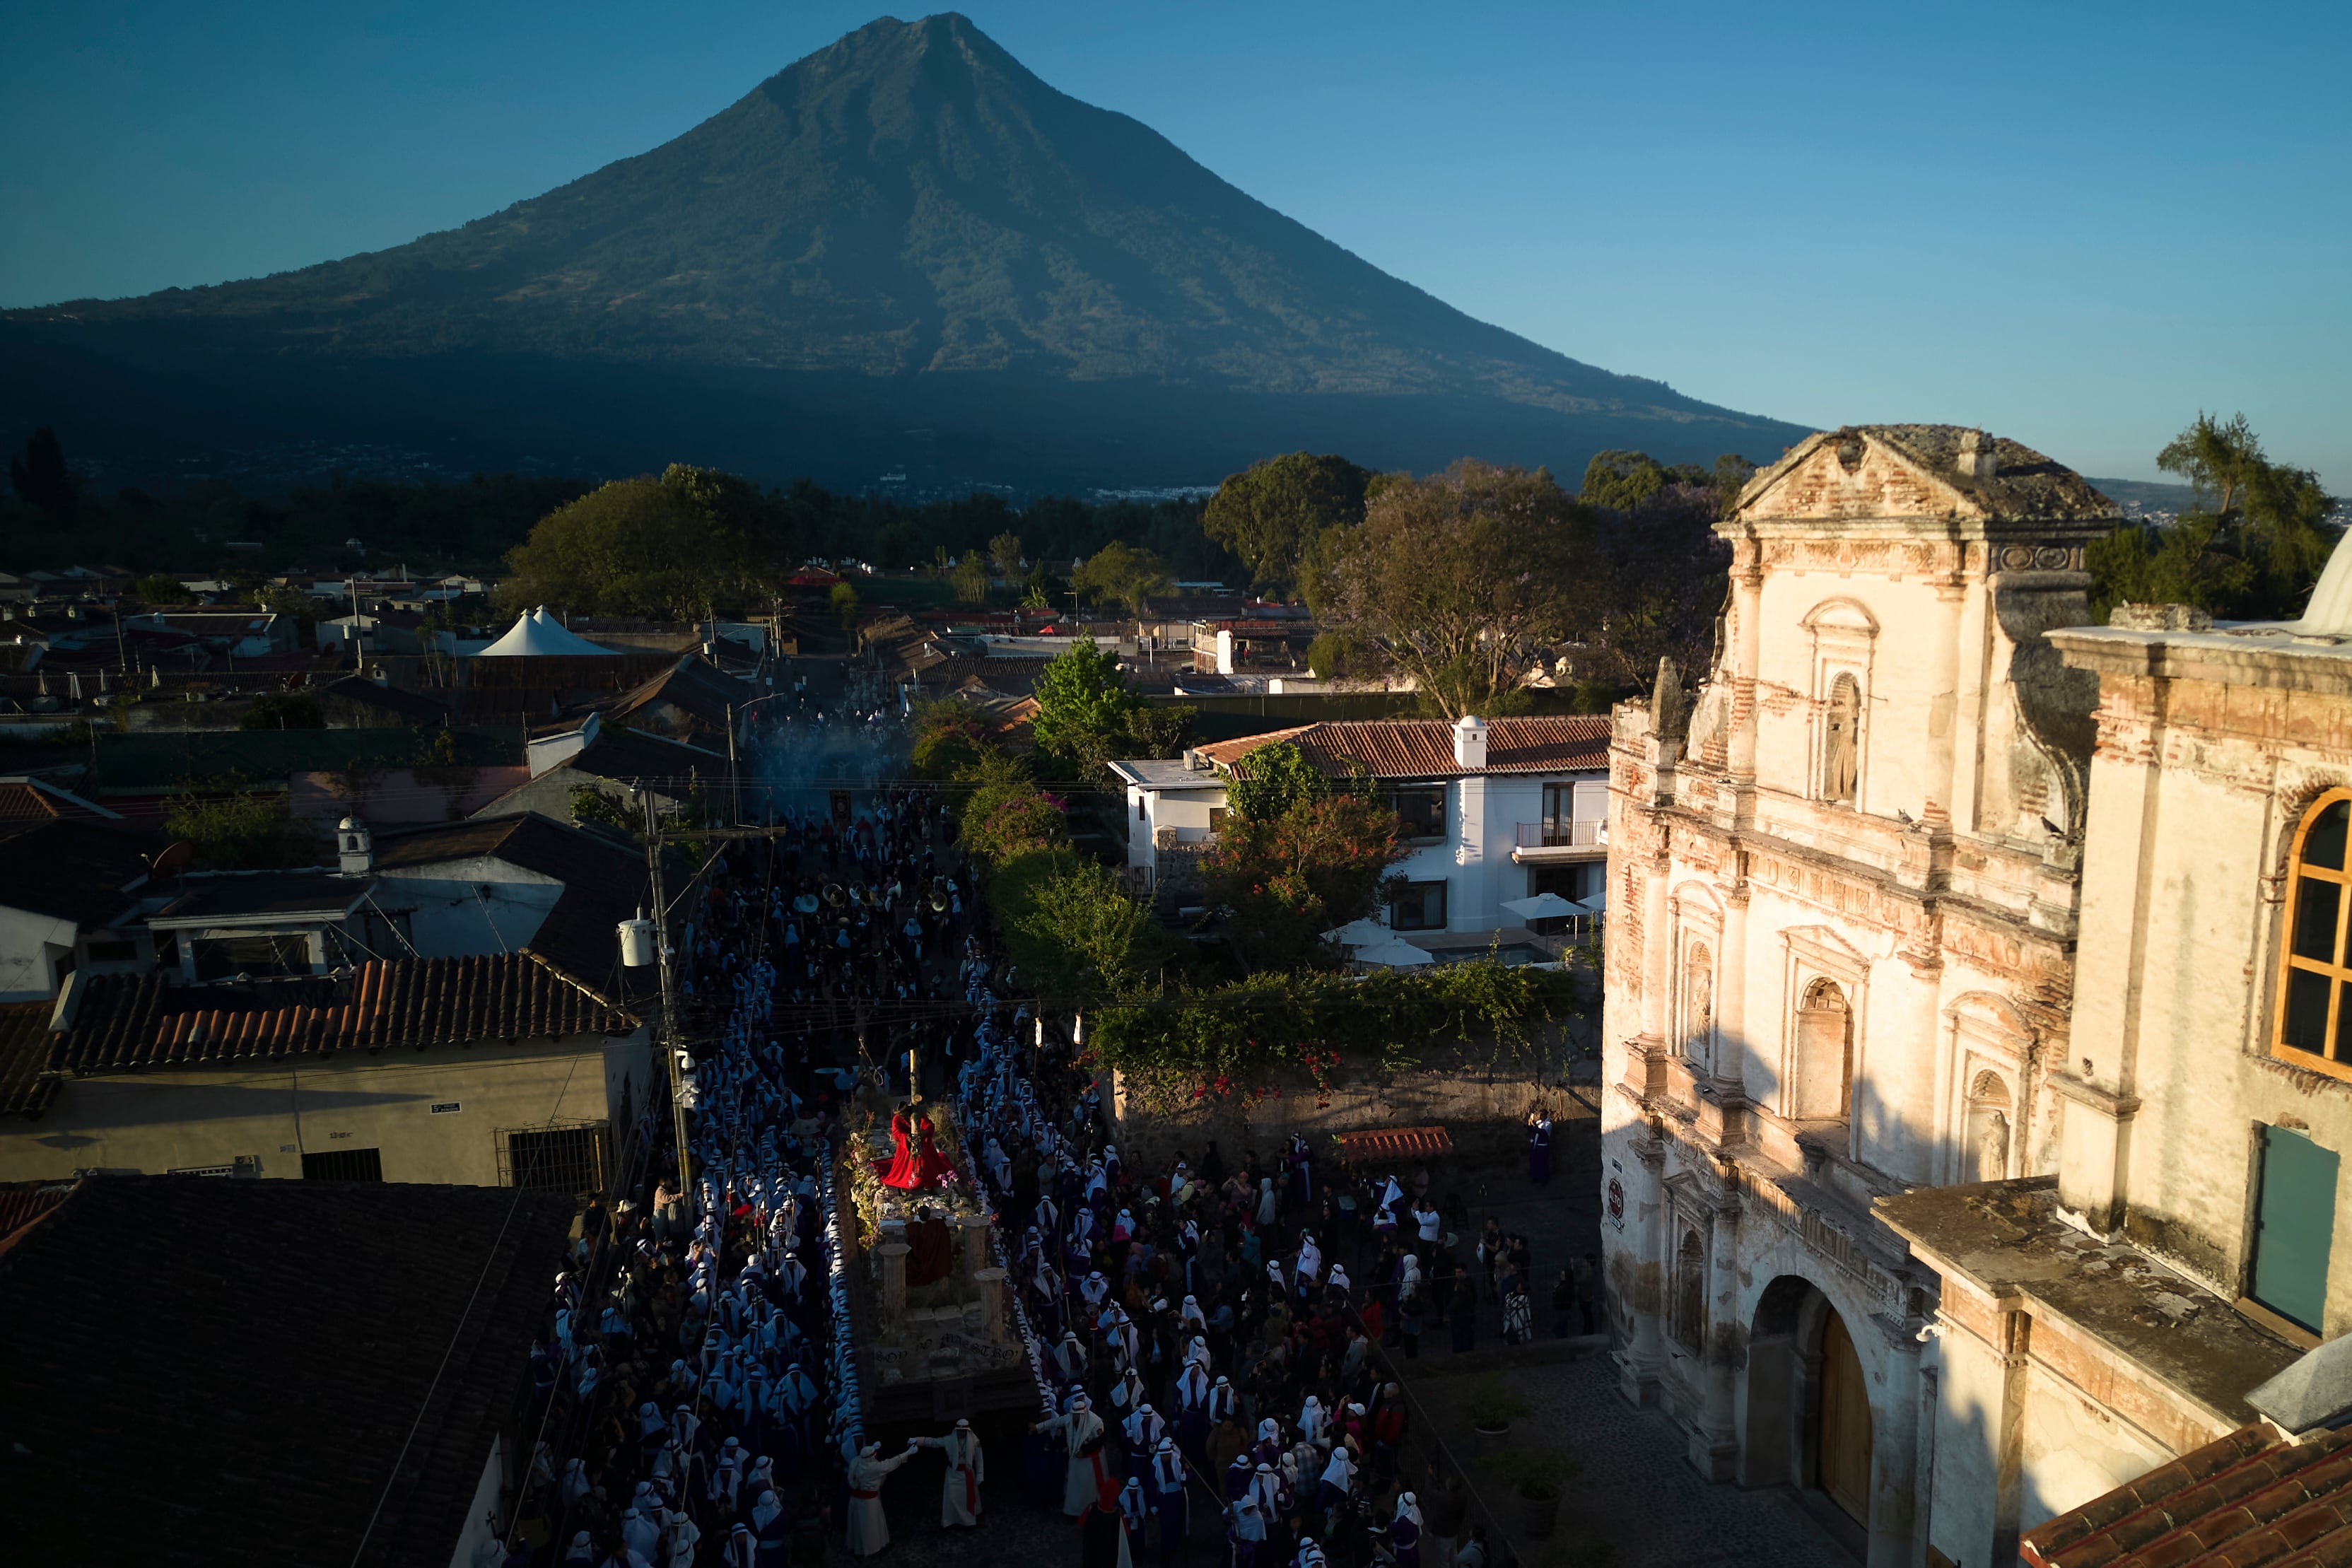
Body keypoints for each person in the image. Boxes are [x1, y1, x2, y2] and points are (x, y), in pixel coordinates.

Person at [1036, 1393, 1111, 1516]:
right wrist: (1039, 1427)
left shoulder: (1096, 1423)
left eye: (1077, 1415)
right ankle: (1075, 1511)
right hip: (1076, 1459)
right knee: (1075, 1488)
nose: (1074, 1417)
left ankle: (1091, 1509)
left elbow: (1100, 1440)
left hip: (1090, 1462)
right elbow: (1055, 1422)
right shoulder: (1070, 1419)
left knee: (1090, 1489)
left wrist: (1085, 1451)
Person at [845, 1440, 918, 1556]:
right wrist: (908, 1453)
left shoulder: (856, 1461)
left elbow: (863, 1456)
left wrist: (873, 1448)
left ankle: (860, 1548)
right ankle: (873, 1549)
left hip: (855, 1499)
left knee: (859, 1526)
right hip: (869, 1502)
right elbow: (891, 1463)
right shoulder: (873, 1468)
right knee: (871, 1526)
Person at [914, 1417, 986, 1527]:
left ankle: (968, 1522)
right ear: (956, 1430)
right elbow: (934, 1442)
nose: (961, 1433)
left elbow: (979, 1459)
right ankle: (953, 1520)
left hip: (967, 1474)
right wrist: (918, 1440)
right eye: (960, 1430)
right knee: (952, 1499)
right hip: (953, 1474)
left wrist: (980, 1474)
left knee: (967, 1500)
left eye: (964, 1431)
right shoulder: (949, 1440)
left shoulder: (975, 1442)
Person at [1084, 1480, 1135, 1568]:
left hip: (1093, 1553)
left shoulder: (1092, 1510)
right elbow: (1126, 1534)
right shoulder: (1116, 1517)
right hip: (1110, 1556)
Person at [1526, 1109, 1552, 1185]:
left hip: (1543, 1147)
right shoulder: (1538, 1123)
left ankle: (1544, 1179)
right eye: (1541, 1115)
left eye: (1543, 1115)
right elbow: (1532, 1130)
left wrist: (1534, 1126)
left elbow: (1542, 1132)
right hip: (1536, 1145)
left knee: (1543, 1164)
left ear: (1546, 1115)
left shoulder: (1549, 1124)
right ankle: (1536, 1178)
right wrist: (1530, 1124)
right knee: (1535, 1163)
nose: (1541, 1116)